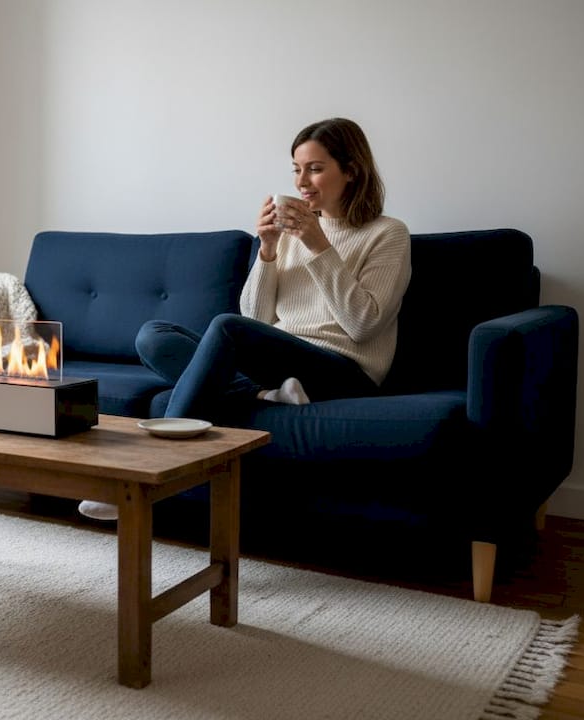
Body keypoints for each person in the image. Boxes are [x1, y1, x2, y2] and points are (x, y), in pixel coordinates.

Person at [77, 117, 412, 522]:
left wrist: (318, 245)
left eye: (316, 168)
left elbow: (362, 325)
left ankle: (145, 476)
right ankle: (265, 396)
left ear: (352, 171)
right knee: (154, 336)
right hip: (280, 366)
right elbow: (256, 317)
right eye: (297, 169)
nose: (302, 181)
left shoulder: (387, 234)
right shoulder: (290, 236)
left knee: (225, 328)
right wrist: (268, 249)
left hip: (344, 370)